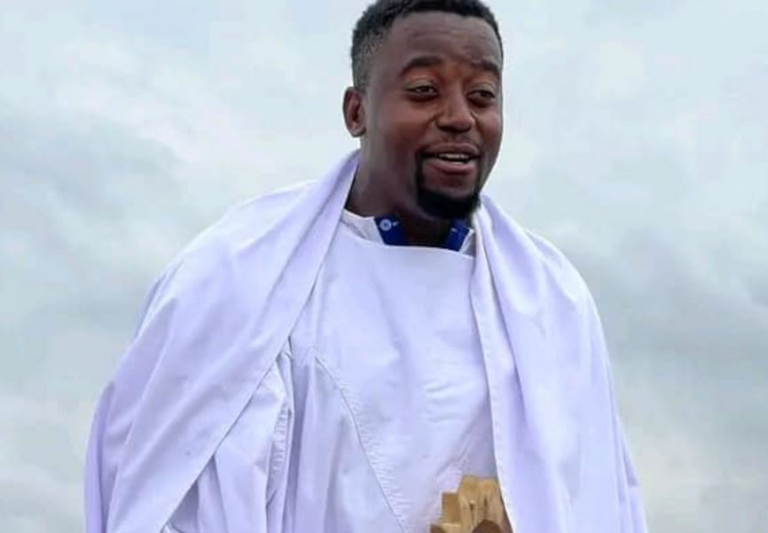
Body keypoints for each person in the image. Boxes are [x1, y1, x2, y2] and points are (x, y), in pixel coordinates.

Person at [85, 1, 648, 532]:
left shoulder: (553, 306)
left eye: (482, 95)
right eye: (424, 91)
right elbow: (168, 498)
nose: (460, 118)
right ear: (357, 111)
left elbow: (599, 502)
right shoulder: (234, 282)